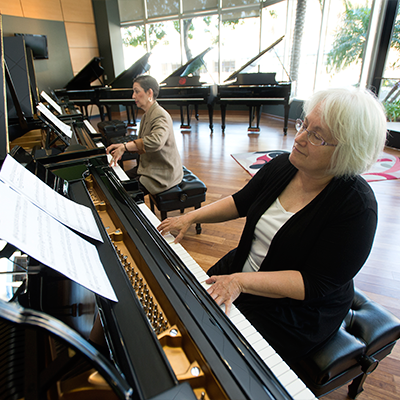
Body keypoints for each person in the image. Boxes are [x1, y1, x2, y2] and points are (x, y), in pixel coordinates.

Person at [157, 87, 387, 364]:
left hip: (296, 310)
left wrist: (240, 282)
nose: (299, 138)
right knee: (187, 302)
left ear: (348, 152)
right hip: (243, 268)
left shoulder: (357, 207)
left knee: (224, 353)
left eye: (317, 136)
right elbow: (241, 201)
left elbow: (314, 283)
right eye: (304, 125)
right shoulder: (283, 166)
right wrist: (191, 217)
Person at [106, 75, 183, 195]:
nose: (133, 96)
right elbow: (143, 142)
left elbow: (156, 141)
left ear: (149, 92)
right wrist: (122, 145)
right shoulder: (147, 114)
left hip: (162, 173)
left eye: (136, 91)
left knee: (123, 193)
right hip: (149, 166)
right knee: (116, 180)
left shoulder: (160, 115)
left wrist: (125, 147)